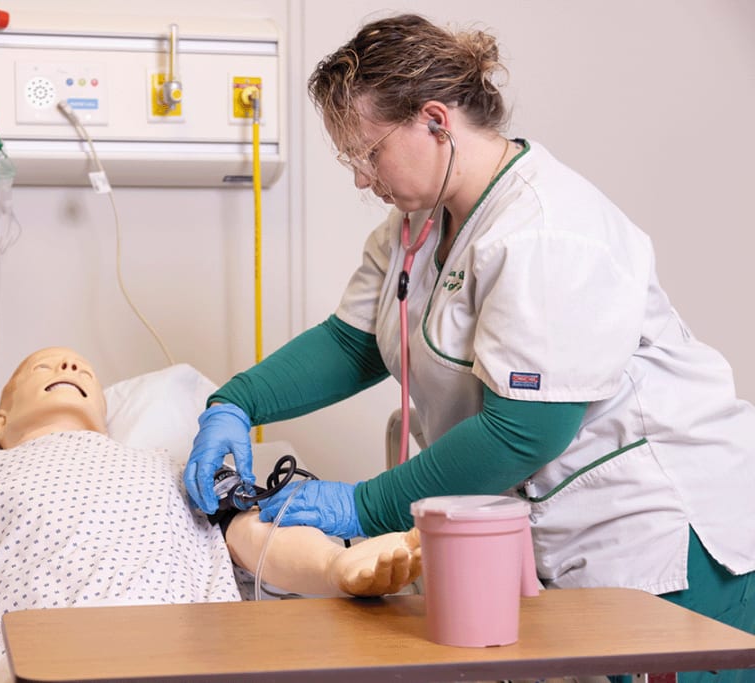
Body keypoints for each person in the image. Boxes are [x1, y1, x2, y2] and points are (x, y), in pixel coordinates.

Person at [184, 13, 755, 680]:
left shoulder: (547, 229)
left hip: (667, 537)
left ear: (435, 120)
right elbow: (354, 342)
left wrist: (362, 505)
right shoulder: (417, 224)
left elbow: (525, 431)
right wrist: (235, 403)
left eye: (369, 153)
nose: (363, 180)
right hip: (564, 537)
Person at [0, 346, 421, 683]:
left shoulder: (177, 469)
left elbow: (254, 538)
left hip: (190, 666)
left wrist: (340, 570)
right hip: (35, 667)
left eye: (83, 368)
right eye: (40, 368)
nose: (69, 367)